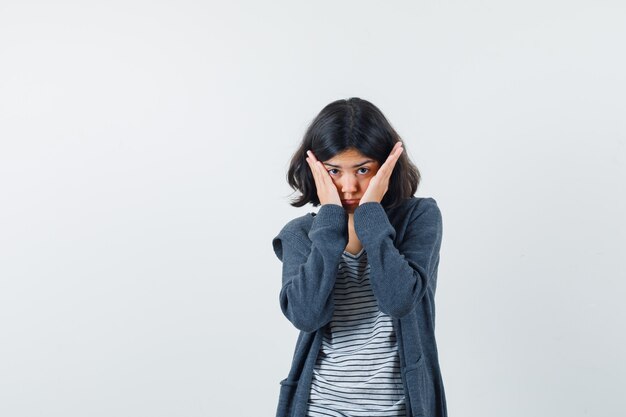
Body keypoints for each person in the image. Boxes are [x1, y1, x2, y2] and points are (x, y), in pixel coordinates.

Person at [272, 98, 447, 417]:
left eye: (363, 169)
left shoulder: (420, 218)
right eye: (334, 171)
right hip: (320, 407)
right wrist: (329, 222)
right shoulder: (300, 234)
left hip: (398, 409)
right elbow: (306, 315)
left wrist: (370, 214)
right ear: (315, 171)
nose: (349, 186)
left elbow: (398, 300)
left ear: (386, 166)